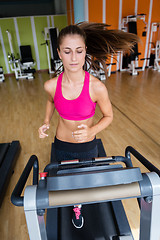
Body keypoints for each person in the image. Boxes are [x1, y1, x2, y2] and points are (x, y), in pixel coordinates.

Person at [38, 22, 138, 228]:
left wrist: (92, 130)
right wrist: (46, 121)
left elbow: (109, 116)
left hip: (87, 146)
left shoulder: (96, 87)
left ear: (85, 52)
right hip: (62, 145)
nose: (73, 58)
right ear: (59, 53)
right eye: (67, 51)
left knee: (82, 182)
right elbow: (50, 101)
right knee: (67, 183)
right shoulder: (50, 85)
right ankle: (75, 203)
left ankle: (78, 206)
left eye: (78, 51)